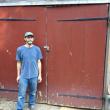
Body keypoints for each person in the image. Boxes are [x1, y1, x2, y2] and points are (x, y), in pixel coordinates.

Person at [16, 32, 43, 110]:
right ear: (25, 38)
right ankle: (19, 108)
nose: (30, 38)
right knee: (21, 94)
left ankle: (31, 105)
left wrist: (40, 75)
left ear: (33, 38)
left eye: (31, 37)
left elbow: (39, 62)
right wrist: (18, 75)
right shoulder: (20, 49)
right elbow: (18, 63)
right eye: (28, 37)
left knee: (33, 93)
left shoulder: (37, 49)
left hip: (34, 75)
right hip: (23, 76)